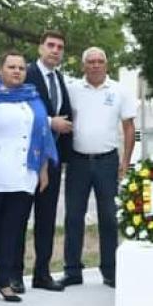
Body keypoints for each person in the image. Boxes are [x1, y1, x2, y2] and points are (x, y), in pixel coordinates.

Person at [0, 51, 58, 305]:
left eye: (21, 68)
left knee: (12, 231)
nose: (17, 71)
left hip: (23, 174)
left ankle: (3, 281)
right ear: (0, 69)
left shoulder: (31, 97)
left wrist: (43, 169)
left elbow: (41, 134)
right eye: (11, 66)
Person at [59, 47, 137, 288]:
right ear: (84, 65)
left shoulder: (119, 91)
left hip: (107, 161)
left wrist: (125, 162)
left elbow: (129, 128)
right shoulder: (71, 89)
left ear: (106, 64)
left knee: (110, 218)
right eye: (90, 62)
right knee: (73, 217)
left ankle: (110, 271)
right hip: (77, 162)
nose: (95, 65)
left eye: (99, 61)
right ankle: (72, 270)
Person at [13, 30, 74, 293]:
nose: (55, 50)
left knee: (47, 219)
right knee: (19, 218)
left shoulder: (60, 79)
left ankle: (42, 273)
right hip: (27, 159)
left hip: (53, 159)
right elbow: (19, 111)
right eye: (50, 45)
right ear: (40, 48)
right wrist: (52, 122)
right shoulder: (25, 75)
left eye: (60, 47)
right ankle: (14, 275)